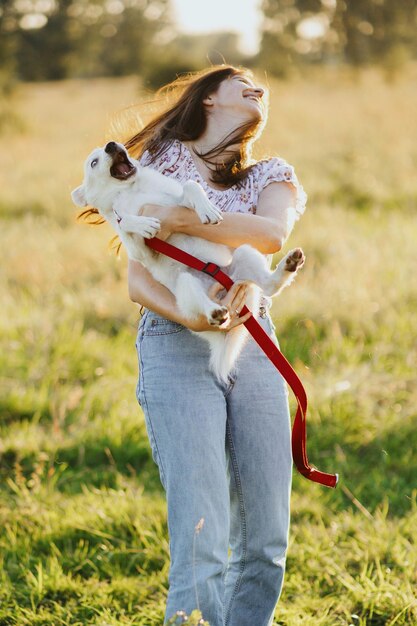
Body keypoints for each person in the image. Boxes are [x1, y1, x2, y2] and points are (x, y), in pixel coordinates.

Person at [125, 65, 307, 626]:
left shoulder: (271, 174)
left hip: (252, 341)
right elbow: (138, 279)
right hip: (174, 342)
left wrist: (181, 218)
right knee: (202, 535)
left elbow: (270, 236)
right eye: (242, 79)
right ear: (207, 98)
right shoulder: (157, 163)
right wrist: (195, 316)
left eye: (262, 85)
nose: (258, 86)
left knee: (266, 537)